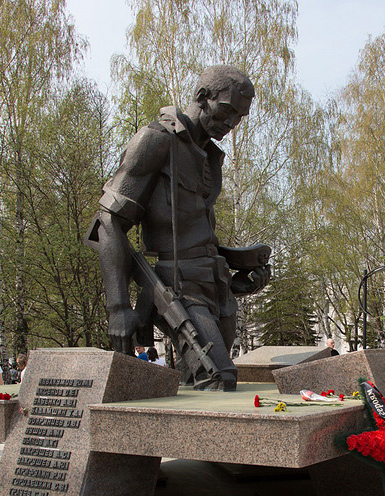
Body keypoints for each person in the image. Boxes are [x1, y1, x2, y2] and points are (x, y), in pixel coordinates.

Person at [84, 65, 269, 391]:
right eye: (227, 111)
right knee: (218, 377)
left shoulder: (210, 156)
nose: (231, 123)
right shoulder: (155, 141)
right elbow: (109, 221)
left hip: (217, 288)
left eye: (239, 117)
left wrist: (240, 278)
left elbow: (198, 235)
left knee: (202, 384)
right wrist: (118, 307)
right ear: (202, 98)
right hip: (178, 288)